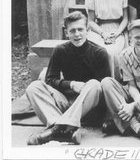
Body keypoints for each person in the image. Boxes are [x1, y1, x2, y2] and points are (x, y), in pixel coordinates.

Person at [25, 12, 109, 145]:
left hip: (88, 109)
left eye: (80, 29)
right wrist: (71, 84)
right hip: (65, 103)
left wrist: (85, 88)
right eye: (72, 30)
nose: (77, 34)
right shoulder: (60, 50)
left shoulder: (99, 53)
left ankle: (56, 129)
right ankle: (63, 127)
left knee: (95, 84)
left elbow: (106, 88)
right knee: (34, 87)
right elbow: (50, 80)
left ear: (87, 31)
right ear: (66, 33)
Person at [85, 0, 129, 80]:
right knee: (99, 51)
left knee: (112, 52)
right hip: (98, 30)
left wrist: (117, 33)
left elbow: (126, 18)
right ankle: (98, 81)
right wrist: (103, 34)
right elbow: (90, 21)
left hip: (118, 29)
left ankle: (114, 83)